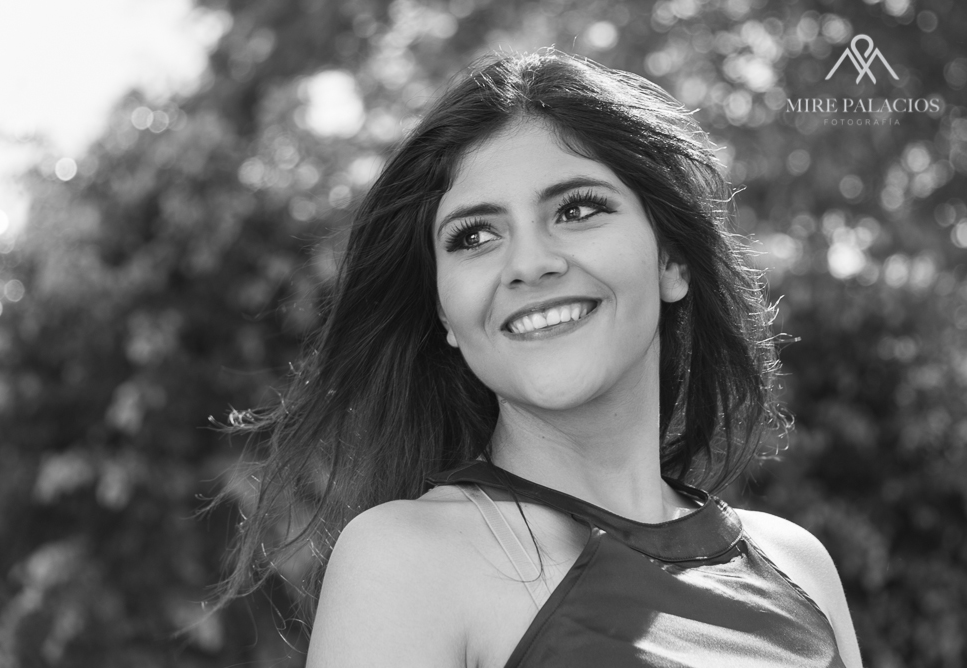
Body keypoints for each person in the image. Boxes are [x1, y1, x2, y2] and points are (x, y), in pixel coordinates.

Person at [220, 49, 863, 667]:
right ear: (444, 313)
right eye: (475, 236)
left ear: (671, 261)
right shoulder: (405, 560)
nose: (528, 264)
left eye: (577, 209)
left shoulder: (798, 566)